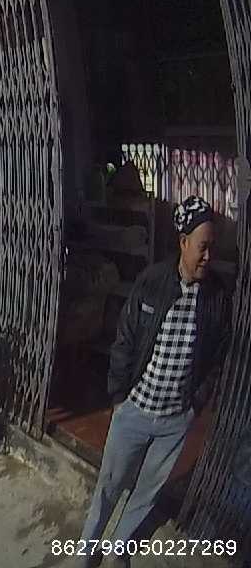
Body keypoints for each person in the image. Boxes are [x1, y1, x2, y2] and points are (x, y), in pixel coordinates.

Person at [77, 195, 231, 566]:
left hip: (176, 419)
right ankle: (87, 550)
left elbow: (217, 357)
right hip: (135, 410)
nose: (208, 256)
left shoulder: (216, 296)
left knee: (146, 492)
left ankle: (119, 549)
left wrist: (196, 403)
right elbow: (125, 338)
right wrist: (119, 396)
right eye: (202, 247)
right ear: (183, 242)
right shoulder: (153, 281)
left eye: (212, 248)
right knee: (110, 485)